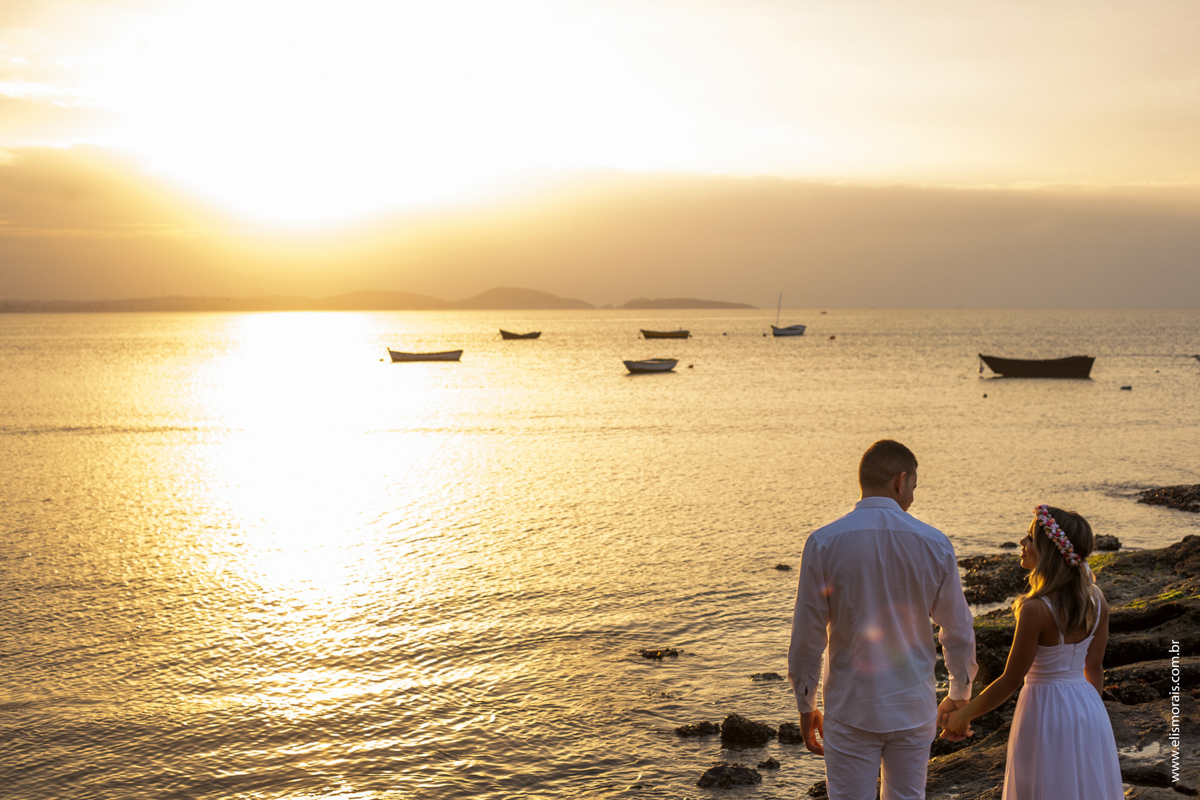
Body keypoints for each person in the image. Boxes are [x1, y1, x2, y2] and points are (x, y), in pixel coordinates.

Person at [788, 440, 977, 800]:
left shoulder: (824, 542)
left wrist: (806, 703)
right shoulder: (934, 543)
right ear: (900, 480)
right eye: (914, 488)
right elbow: (957, 629)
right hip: (912, 705)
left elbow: (807, 636)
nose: (912, 498)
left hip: (850, 706)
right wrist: (960, 692)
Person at [941, 505, 1123, 799]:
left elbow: (1011, 680)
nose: (1022, 544)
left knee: (1044, 786)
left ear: (1048, 551)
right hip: (1089, 709)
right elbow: (1095, 666)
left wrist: (965, 715)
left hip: (1045, 710)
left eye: (1029, 537)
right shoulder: (1097, 599)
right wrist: (1089, 715)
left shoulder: (1036, 609)